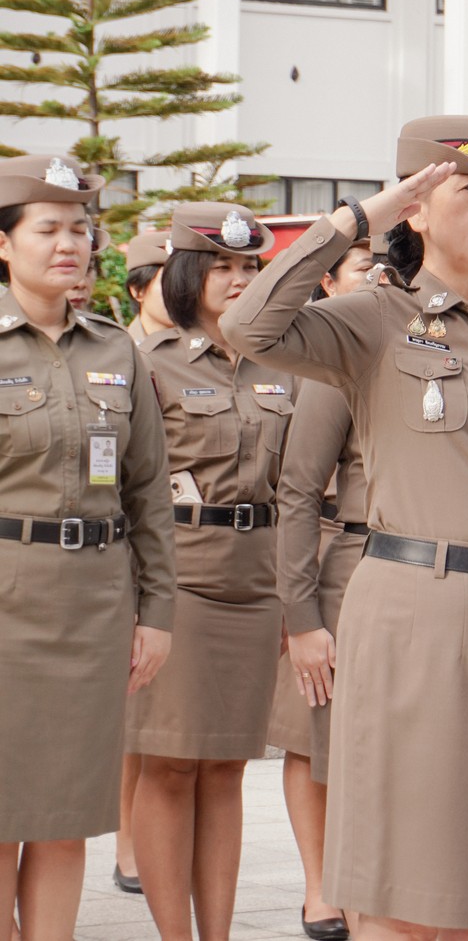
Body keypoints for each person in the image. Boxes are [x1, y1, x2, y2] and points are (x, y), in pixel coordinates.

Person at [219, 114, 468, 941]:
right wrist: (360, 217)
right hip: (412, 613)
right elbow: (247, 325)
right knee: (398, 889)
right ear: (416, 207)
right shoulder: (373, 319)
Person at [0, 155, 174, 941]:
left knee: (65, 816)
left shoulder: (115, 350)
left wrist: (156, 612)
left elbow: (148, 492)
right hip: (8, 602)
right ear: (5, 243)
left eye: (80, 228)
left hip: (93, 606)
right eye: (48, 228)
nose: (69, 244)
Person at [126, 203, 293, 941]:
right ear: (187, 273)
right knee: (169, 764)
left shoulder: (283, 362)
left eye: (249, 266)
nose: (238, 278)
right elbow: (130, 489)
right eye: (221, 265)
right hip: (181, 579)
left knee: (228, 766)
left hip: (259, 583)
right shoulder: (148, 361)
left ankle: (217, 934)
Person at [270, 233, 387, 941]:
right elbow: (299, 489)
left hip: (409, 569)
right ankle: (320, 886)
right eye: (365, 270)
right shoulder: (335, 363)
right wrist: (302, 610)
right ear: (331, 286)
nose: (380, 281)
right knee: (315, 733)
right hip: (348, 558)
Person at [112, 224, 174, 895]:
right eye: (165, 279)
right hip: (121, 544)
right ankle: (126, 838)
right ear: (137, 290)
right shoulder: (118, 353)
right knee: (135, 714)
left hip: (171, 543)